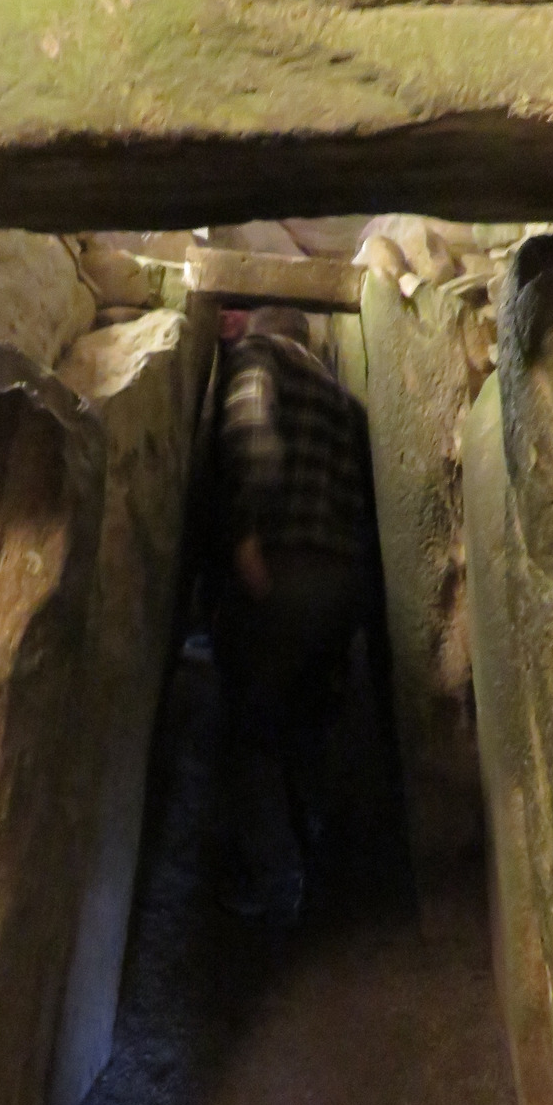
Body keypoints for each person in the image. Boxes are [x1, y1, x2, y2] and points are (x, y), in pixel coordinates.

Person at [209, 305, 376, 922]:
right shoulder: (338, 394)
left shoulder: (259, 359)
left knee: (253, 727)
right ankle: (322, 867)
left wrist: (246, 531)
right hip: (340, 582)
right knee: (309, 719)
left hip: (283, 572)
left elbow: (250, 426)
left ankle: (274, 880)